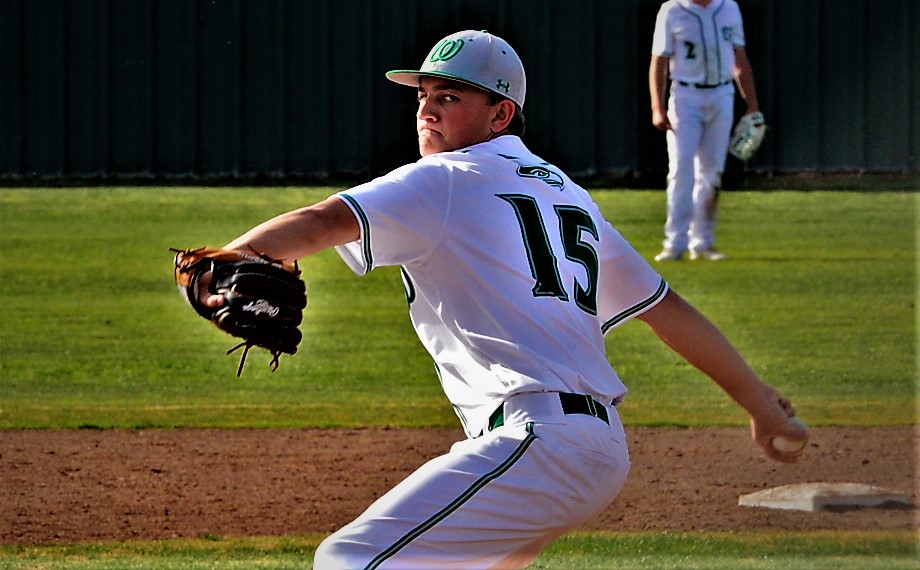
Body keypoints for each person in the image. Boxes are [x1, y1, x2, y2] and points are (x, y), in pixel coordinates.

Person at [199, 30, 806, 569]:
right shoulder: (567, 195)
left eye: (449, 97)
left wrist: (217, 267)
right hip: (589, 448)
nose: (427, 109)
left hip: (538, 441)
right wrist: (760, 404)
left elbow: (320, 221)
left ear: (500, 114)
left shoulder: (444, 178)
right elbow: (665, 308)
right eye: (423, 95)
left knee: (349, 559)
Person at [649, 0, 762, 261]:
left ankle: (702, 242)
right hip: (685, 96)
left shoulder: (729, 8)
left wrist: (752, 105)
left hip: (722, 94)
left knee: (712, 173)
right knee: (681, 169)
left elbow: (740, 59)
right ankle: (675, 242)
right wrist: (657, 107)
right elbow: (659, 61)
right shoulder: (672, 10)